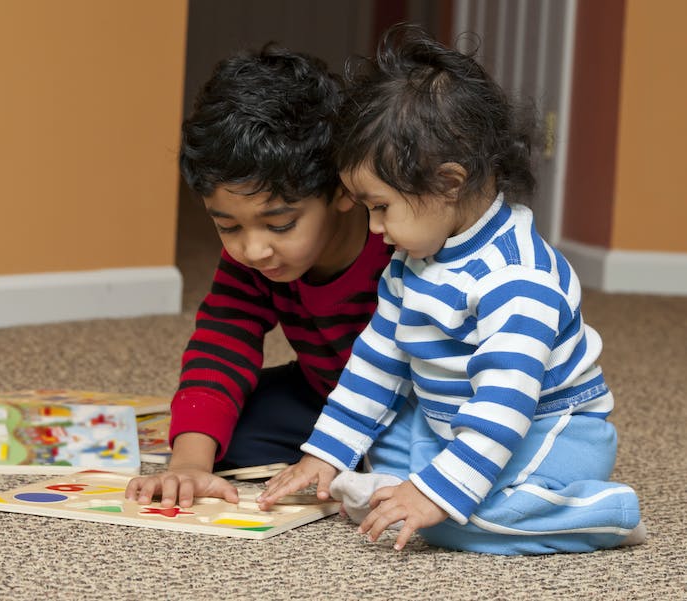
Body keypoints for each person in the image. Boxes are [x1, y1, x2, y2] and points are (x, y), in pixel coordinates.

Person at [258, 23, 644, 555]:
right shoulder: (411, 258)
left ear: (448, 182)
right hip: (447, 421)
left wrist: (433, 495)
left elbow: (504, 404)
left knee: (452, 515)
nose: (373, 228)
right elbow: (376, 364)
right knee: (384, 482)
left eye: (381, 207)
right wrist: (325, 453)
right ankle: (419, 494)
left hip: (544, 429)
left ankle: (601, 515)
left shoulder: (518, 277)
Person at [125, 44, 391, 508]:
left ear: (344, 190)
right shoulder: (254, 261)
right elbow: (221, 342)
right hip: (323, 393)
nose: (254, 248)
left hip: (415, 404)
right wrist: (189, 464)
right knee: (217, 436)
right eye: (227, 226)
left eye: (280, 224)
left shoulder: (398, 244)